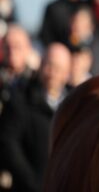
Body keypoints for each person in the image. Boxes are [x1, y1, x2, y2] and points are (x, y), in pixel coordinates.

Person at [0, 43, 71, 192]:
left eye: (58, 69)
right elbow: (9, 143)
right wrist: (32, 182)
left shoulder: (74, 106)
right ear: (41, 65)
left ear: (67, 73)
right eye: (49, 65)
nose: (52, 73)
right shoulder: (21, 99)